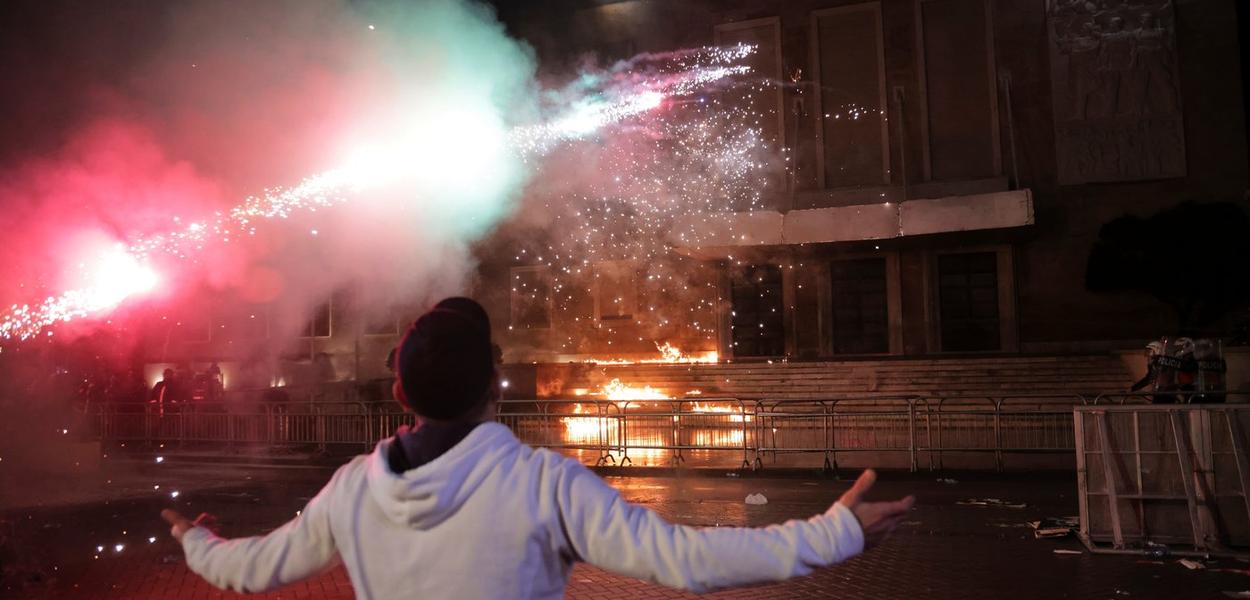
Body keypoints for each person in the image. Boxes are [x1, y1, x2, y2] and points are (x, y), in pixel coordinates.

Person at [160, 297, 914, 598]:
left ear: (399, 396)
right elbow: (683, 561)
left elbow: (253, 569)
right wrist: (834, 532)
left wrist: (196, 540)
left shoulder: (353, 489)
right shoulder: (542, 483)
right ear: (498, 379)